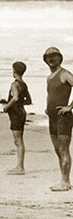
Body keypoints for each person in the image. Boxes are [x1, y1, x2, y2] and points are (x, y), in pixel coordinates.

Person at [42, 47, 73, 192]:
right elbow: (50, 94)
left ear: (60, 58)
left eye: (54, 56)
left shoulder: (65, 74)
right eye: (48, 56)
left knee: (63, 149)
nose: (51, 59)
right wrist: (47, 108)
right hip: (52, 117)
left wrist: (70, 107)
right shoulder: (50, 77)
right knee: (57, 149)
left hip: (63, 117)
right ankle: (63, 180)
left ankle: (65, 182)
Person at [2, 61, 31, 175]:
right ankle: (20, 166)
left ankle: (20, 167)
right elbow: (28, 101)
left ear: (14, 71)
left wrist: (6, 107)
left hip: (15, 114)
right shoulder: (23, 84)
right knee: (19, 140)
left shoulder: (14, 84)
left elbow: (15, 97)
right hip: (22, 112)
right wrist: (19, 104)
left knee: (18, 141)